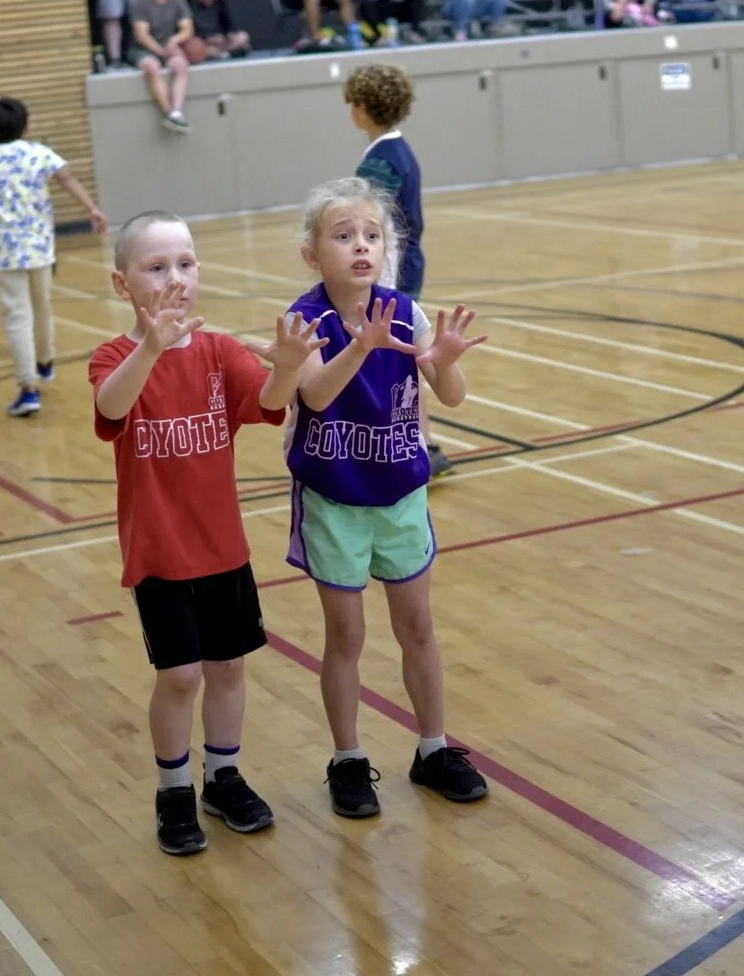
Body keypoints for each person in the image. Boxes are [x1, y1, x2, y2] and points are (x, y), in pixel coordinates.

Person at [88, 210, 325, 855]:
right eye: (157, 267)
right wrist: (152, 347)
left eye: (186, 264)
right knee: (182, 676)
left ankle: (222, 776)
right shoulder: (115, 357)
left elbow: (270, 405)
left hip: (223, 547)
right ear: (123, 284)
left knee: (226, 668)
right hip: (159, 554)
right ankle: (172, 788)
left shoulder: (221, 351)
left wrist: (288, 364)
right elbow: (111, 406)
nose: (176, 278)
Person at [283, 177, 490, 819]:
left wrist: (448, 359)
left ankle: (433, 749)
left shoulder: (406, 311)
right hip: (335, 499)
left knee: (418, 628)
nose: (362, 247)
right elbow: (314, 395)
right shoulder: (305, 319)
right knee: (345, 636)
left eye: (372, 235)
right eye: (344, 237)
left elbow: (449, 396)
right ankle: (347, 760)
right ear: (314, 254)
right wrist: (361, 347)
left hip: (400, 496)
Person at [0, 97, 107, 417]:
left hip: (7, 253)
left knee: (17, 319)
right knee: (42, 308)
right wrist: (91, 208)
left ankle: (28, 388)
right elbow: (66, 177)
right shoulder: (39, 153)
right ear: (26, 126)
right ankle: (45, 361)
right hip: (40, 249)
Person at [345, 63, 454, 478]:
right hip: (405, 268)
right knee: (405, 360)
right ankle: (423, 443)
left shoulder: (381, 164)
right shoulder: (394, 151)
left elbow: (366, 223)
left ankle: (413, 446)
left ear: (363, 109)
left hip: (391, 275)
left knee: (396, 363)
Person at [129, 0, 195, 132]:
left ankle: (176, 112)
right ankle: (168, 113)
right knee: (152, 66)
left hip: (167, 47)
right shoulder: (140, 5)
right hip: (142, 50)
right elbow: (142, 35)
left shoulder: (178, 3)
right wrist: (161, 51)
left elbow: (187, 29)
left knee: (181, 65)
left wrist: (174, 40)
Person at [185, 0, 250, 61]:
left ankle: (225, 53)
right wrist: (208, 39)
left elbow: (227, 24)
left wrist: (230, 34)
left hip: (222, 42)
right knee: (200, 49)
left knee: (243, 36)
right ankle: (228, 53)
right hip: (204, 44)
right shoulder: (189, 7)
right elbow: (189, 32)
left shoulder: (220, 4)